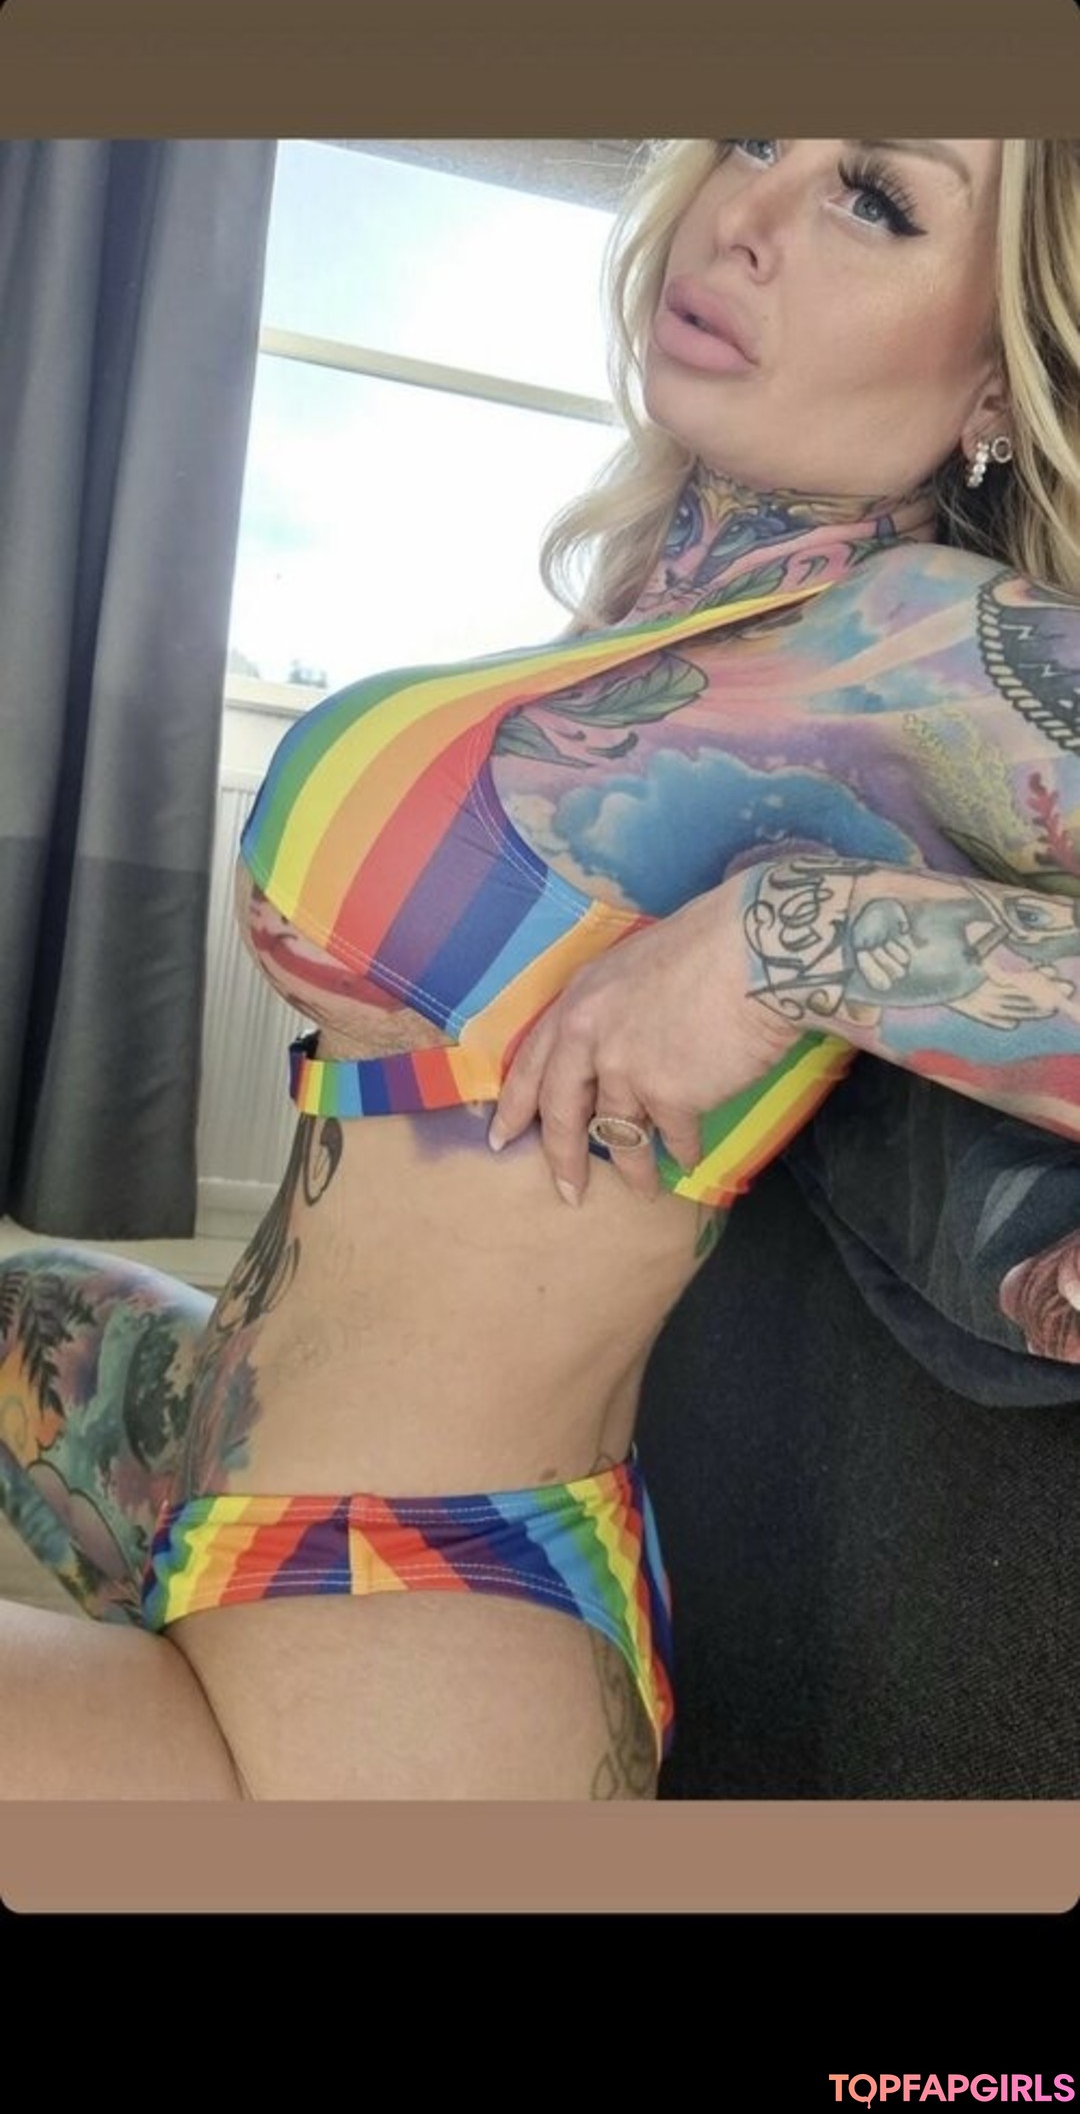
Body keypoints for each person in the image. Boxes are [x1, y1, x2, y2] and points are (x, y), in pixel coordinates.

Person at [1, 136, 1078, 1799]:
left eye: (874, 199)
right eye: (756, 139)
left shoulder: (950, 647)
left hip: (415, 1614)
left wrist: (783, 945)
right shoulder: (673, 607)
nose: (744, 217)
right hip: (205, 1433)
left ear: (998, 374)